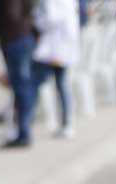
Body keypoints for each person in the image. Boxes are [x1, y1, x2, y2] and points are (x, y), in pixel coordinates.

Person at [32, 0, 78, 138]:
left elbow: (50, 20)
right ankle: (66, 123)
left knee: (34, 83)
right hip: (61, 48)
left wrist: (35, 19)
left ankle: (25, 121)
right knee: (61, 84)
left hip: (55, 49)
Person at [0, 0, 34, 146]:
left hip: (16, 39)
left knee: (21, 88)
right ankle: (22, 130)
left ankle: (23, 132)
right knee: (21, 88)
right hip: (20, 37)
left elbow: (12, 14)